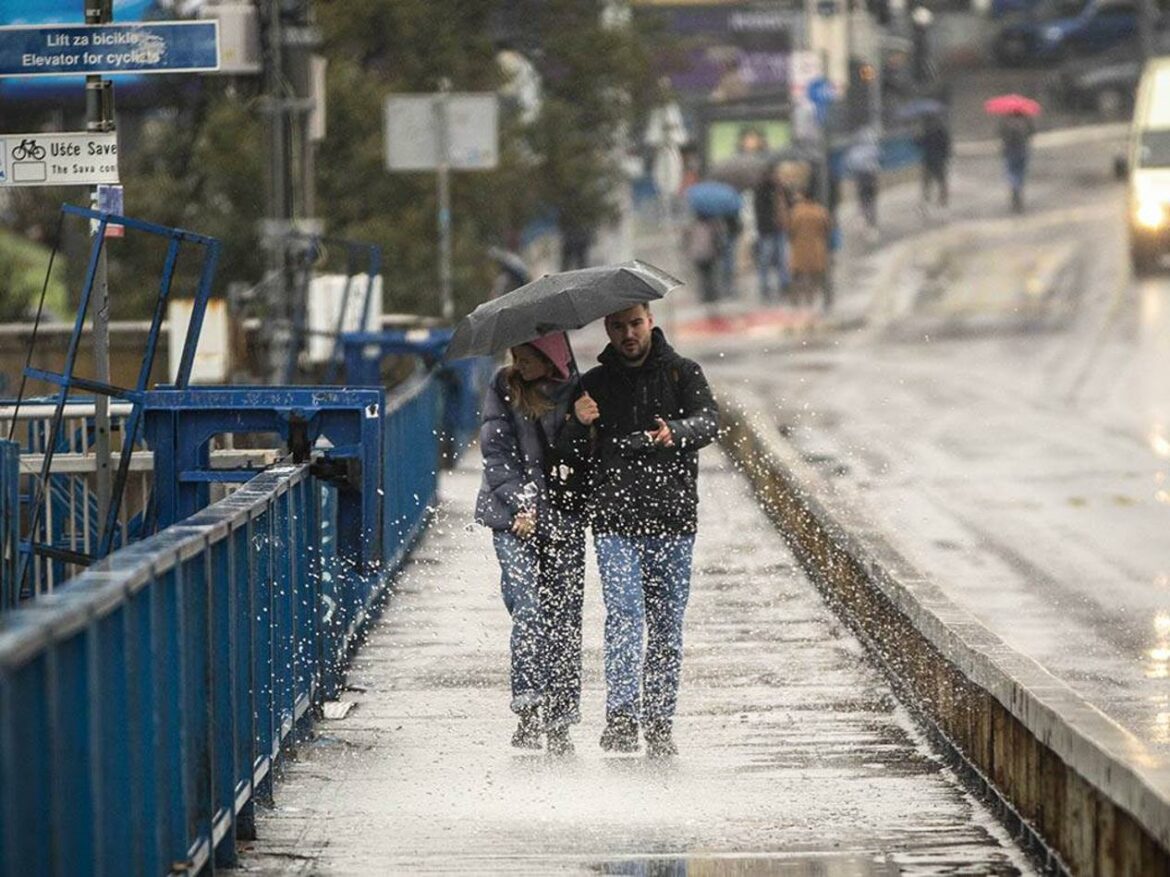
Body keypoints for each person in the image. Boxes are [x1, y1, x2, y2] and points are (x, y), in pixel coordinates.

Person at [558, 304, 720, 757]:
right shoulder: (593, 384)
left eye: (635, 324)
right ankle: (622, 716)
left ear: (650, 320)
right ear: (606, 328)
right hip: (614, 520)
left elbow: (710, 422)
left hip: (672, 520)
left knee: (667, 625)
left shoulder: (682, 373)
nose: (628, 334)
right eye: (617, 326)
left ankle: (660, 721)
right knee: (624, 617)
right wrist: (578, 421)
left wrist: (678, 431)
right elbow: (567, 454)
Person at [475, 332, 587, 756]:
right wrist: (524, 504)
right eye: (515, 355)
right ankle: (528, 707)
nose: (518, 364)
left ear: (552, 355)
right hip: (511, 518)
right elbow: (496, 455)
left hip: (564, 518)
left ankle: (560, 718)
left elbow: (581, 460)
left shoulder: (579, 391)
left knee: (564, 618)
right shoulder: (504, 388)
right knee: (527, 606)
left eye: (527, 357)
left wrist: (581, 421)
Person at [786, 190, 832, 312]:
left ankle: (795, 301)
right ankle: (817, 300)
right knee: (817, 276)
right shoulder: (820, 211)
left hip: (799, 249)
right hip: (817, 248)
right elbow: (827, 228)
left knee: (797, 276)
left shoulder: (796, 211)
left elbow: (790, 229)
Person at [753, 169, 791, 303]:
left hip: (780, 229)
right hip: (767, 231)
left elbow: (789, 204)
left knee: (782, 257)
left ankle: (784, 282)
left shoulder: (782, 190)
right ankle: (764, 284)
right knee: (765, 258)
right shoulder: (761, 191)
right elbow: (760, 212)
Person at [682, 213, 728, 306]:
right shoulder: (712, 226)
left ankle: (705, 296)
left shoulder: (691, 227)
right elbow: (717, 240)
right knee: (711, 276)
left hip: (697, 256)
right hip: (710, 255)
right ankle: (713, 295)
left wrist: (688, 252)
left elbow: (686, 241)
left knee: (702, 277)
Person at [999, 111, 1034, 213]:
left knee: (1011, 172)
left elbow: (1001, 134)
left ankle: (1015, 188)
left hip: (1010, 151)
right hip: (1022, 151)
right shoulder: (1025, 120)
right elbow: (1032, 132)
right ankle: (1018, 190)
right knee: (1021, 172)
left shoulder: (1006, 121)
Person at [918, 117, 951, 209]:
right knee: (938, 180)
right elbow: (946, 146)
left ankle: (929, 198)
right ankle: (940, 198)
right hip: (936, 159)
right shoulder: (940, 132)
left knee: (932, 180)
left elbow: (921, 143)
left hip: (931, 159)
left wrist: (917, 139)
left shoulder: (929, 133)